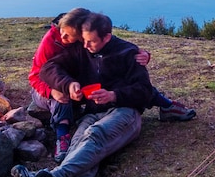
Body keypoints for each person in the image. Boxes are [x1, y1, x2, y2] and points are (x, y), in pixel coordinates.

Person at [26, 9, 196, 161]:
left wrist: (141, 54)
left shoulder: (83, 43)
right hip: (45, 87)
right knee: (61, 97)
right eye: (62, 32)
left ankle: (166, 106)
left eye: (69, 35)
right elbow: (37, 74)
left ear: (80, 34)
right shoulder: (52, 41)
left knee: (125, 80)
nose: (63, 38)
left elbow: (114, 44)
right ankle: (62, 137)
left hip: (73, 81)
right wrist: (53, 90)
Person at [12, 12, 153, 177]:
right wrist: (68, 84)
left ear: (107, 37)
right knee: (80, 145)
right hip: (93, 112)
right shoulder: (82, 49)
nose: (85, 45)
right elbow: (48, 69)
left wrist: (113, 95)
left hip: (125, 112)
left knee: (95, 134)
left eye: (91, 41)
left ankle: (53, 176)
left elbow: (145, 91)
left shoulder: (128, 53)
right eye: (84, 40)